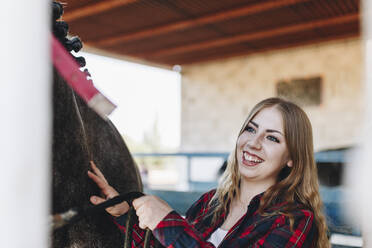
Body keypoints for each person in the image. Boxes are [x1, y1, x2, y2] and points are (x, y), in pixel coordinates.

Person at [88, 97, 330, 247]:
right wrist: (123, 214)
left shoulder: (295, 220)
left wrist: (167, 222)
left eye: (272, 138)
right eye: (250, 129)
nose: (253, 143)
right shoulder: (211, 202)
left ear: (292, 158)